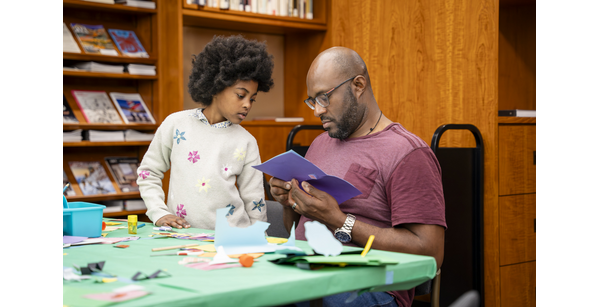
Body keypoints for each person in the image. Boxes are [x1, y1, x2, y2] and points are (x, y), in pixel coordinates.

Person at [269, 47, 446, 307]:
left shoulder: (407, 152)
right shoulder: (320, 143)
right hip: (307, 269)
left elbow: (431, 252)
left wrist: (339, 221)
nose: (317, 111)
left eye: (323, 97)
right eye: (312, 101)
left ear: (358, 85)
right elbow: (297, 231)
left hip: (367, 285)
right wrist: (290, 203)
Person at [138, 35, 275, 230]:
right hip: (181, 238)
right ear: (216, 87)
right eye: (240, 95)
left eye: (252, 99)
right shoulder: (176, 124)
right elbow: (148, 172)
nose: (247, 104)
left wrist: (259, 238)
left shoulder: (246, 141)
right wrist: (159, 213)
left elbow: (255, 200)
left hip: (232, 240)